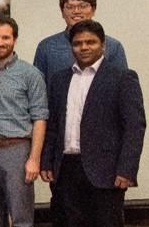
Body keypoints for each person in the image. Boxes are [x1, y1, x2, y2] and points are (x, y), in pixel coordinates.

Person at [40, 20, 145, 227]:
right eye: (78, 43)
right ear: (71, 47)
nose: (84, 47)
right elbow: (53, 125)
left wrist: (127, 169)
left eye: (91, 42)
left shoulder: (122, 77)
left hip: (106, 171)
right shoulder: (60, 79)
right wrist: (46, 161)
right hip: (65, 169)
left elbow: (134, 127)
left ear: (103, 45)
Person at [0, 15, 47, 227]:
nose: (0, 43)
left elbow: (40, 117)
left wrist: (34, 158)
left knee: (21, 216)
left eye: (6, 37)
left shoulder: (30, 74)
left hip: (17, 150)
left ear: (14, 39)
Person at [33, 0, 127, 82]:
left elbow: (122, 84)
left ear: (93, 10)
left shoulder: (113, 46)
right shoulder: (47, 46)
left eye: (83, 6)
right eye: (70, 7)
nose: (76, 11)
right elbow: (38, 88)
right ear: (62, 12)